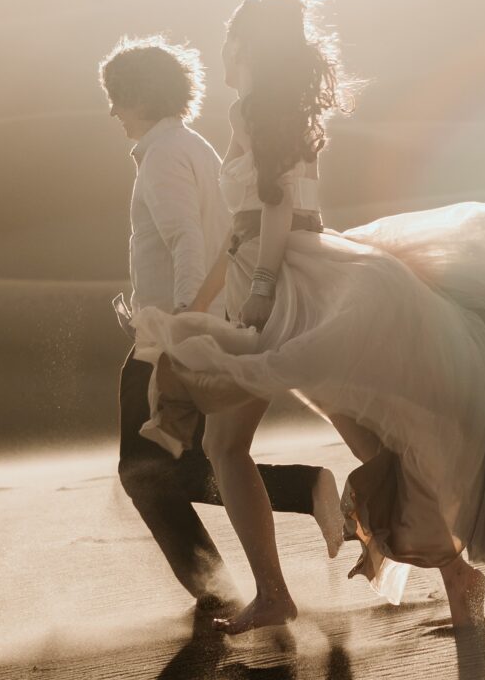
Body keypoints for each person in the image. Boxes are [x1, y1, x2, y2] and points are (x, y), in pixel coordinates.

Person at [128, 0, 485, 635]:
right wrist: (201, 302)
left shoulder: (247, 112)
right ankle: (453, 573)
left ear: (247, 46)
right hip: (308, 276)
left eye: (230, 38)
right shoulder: (289, 110)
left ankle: (276, 594)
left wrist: (258, 291)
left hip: (281, 287)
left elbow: (271, 210)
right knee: (376, 434)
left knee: (227, 443)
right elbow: (261, 223)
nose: (224, 50)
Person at [100, 37, 342, 609]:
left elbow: (187, 238)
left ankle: (222, 595)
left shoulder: (162, 158)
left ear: (135, 97)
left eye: (115, 97)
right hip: (197, 323)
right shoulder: (194, 148)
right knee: (186, 460)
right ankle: (288, 513)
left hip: (174, 336)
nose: (111, 112)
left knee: (145, 470)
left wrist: (182, 328)